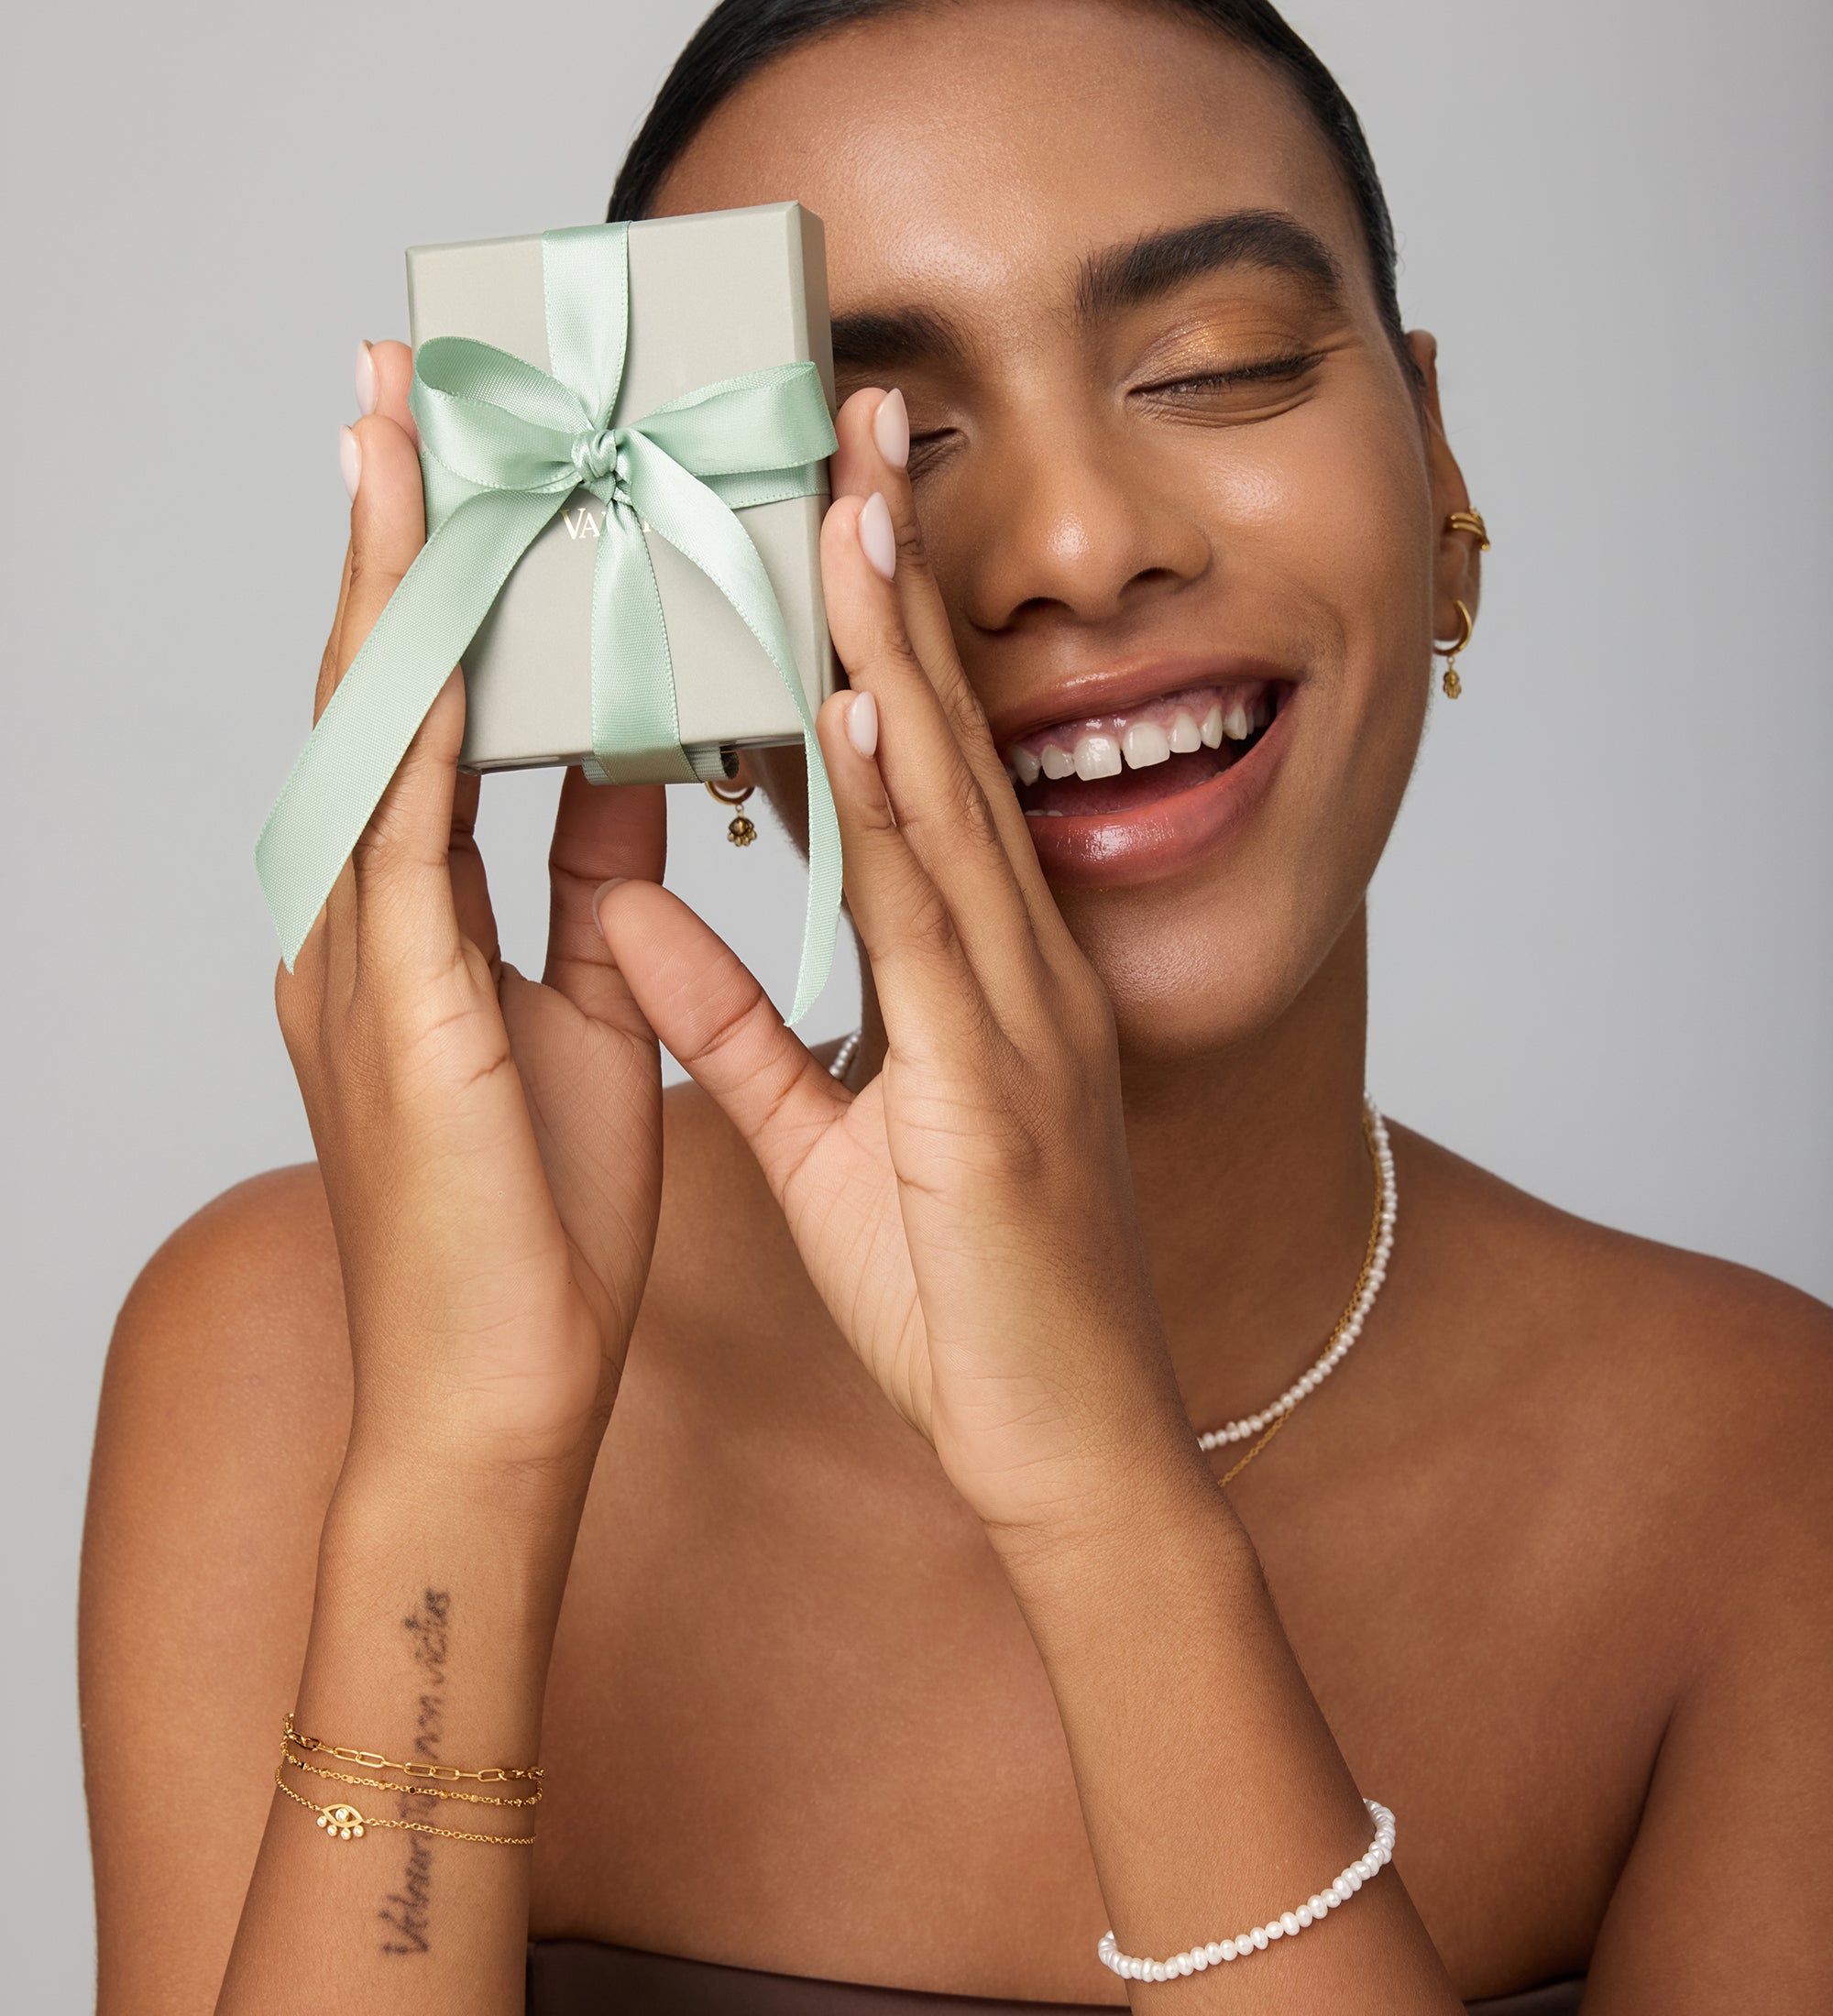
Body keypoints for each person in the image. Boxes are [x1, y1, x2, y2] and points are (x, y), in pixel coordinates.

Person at [80, 2, 1831, 2011]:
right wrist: (463, 1457)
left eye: (1218, 367)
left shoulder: (1769, 1484)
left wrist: (1098, 1489)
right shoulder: (297, 1356)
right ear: (691, 649)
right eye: (872, 451)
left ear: (1435, 466)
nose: (1076, 549)